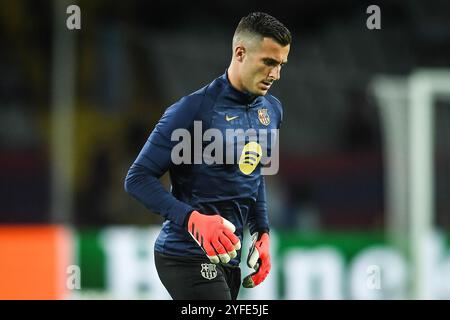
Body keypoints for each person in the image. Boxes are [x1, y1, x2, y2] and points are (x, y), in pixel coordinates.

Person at [125, 12, 291, 300]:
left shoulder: (272, 111)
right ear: (240, 53)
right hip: (184, 255)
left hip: (230, 259)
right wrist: (194, 220)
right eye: (268, 62)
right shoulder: (193, 109)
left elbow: (252, 174)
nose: (275, 74)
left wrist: (262, 232)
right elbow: (137, 179)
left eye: (280, 65)